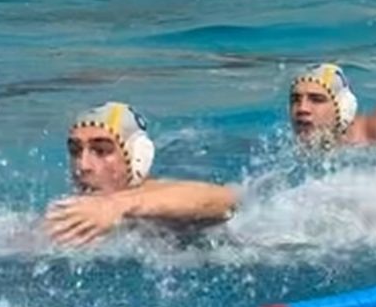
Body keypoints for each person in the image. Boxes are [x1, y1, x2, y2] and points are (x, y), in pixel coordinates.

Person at [44, 101, 239, 247]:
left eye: (101, 151)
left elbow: (224, 201)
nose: (83, 165)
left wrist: (116, 205)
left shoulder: (166, 197)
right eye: (76, 151)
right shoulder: (80, 212)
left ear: (138, 157)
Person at [288, 63, 376, 148]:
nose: (302, 108)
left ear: (343, 108)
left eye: (317, 100)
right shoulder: (294, 149)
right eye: (295, 99)